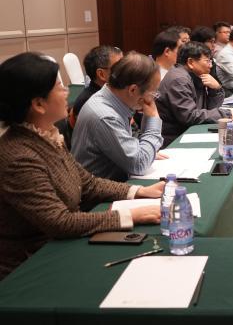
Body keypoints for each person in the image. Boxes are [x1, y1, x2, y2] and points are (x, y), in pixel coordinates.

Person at [0, 53, 162, 280]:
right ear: (38, 104)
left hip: (60, 245)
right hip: (31, 266)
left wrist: (139, 191)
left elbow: (87, 182)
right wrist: (131, 215)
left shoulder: (45, 136)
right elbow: (60, 222)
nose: (67, 91)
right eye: (59, 87)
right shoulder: (19, 156)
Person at [72, 52, 164, 181]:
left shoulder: (112, 100)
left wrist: (146, 151)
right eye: (153, 92)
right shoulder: (106, 116)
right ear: (133, 90)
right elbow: (139, 165)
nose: (153, 98)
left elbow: (137, 157)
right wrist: (153, 119)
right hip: (101, 191)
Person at [157, 42, 230, 146]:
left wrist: (216, 89)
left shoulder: (195, 76)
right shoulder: (179, 80)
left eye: (211, 61)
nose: (210, 65)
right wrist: (226, 114)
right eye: (207, 61)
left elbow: (210, 109)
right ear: (190, 62)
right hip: (175, 139)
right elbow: (190, 116)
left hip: (188, 132)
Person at [71, 45, 123, 122]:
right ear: (101, 74)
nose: (127, 70)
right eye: (120, 67)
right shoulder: (92, 104)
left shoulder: (114, 93)